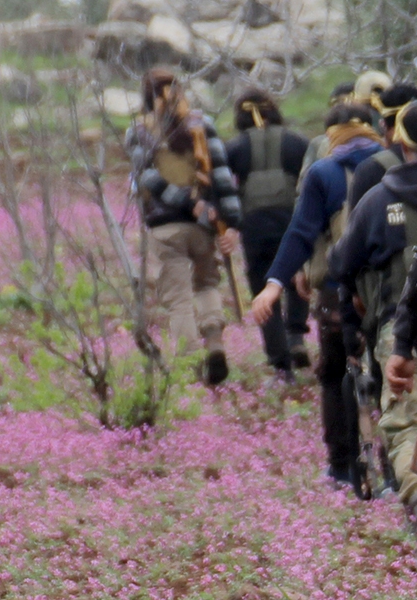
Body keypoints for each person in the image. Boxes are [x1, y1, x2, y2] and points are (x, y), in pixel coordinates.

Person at [328, 101, 417, 560]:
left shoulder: (377, 200)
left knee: (409, 426)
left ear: (402, 145)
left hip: (401, 330)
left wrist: (353, 334)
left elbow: (342, 268)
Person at [249, 100, 391, 486]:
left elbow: (301, 232)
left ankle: (343, 466)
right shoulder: (395, 164)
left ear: (329, 135)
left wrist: (274, 283)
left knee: (335, 373)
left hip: (336, 290)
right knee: (390, 375)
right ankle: (394, 469)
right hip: (391, 290)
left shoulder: (323, 172)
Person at [126, 69, 246, 395]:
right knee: (207, 282)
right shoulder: (201, 124)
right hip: (203, 225)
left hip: (165, 227)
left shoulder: (138, 131)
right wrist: (230, 222)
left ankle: (192, 366)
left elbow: (147, 178)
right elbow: (221, 175)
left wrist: (181, 201)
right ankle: (216, 341)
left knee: (178, 299)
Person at [228, 88, 313, 385]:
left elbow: (222, 186)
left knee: (264, 288)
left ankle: (281, 366)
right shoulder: (297, 142)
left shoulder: (235, 147)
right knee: (296, 275)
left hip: (254, 226)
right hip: (291, 221)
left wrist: (227, 223)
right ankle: (296, 338)